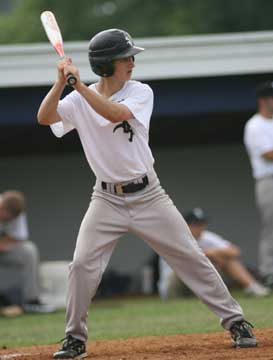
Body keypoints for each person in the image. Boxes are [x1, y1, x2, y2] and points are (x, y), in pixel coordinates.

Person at [37, 29, 257, 359]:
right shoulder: (77, 98)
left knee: (191, 257)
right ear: (106, 64)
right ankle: (74, 338)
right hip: (106, 199)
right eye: (125, 57)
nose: (132, 62)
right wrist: (61, 83)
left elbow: (114, 113)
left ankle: (236, 321)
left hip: (149, 194)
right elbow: (45, 118)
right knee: (81, 265)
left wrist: (78, 86)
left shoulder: (140, 91)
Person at [158, 207, 270, 299]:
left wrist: (215, 252)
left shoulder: (207, 237)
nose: (200, 228)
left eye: (202, 224)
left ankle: (253, 287)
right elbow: (188, 260)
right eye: (196, 225)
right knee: (191, 265)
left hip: (198, 283)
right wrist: (209, 254)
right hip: (174, 285)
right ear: (185, 225)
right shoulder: (174, 238)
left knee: (227, 259)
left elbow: (235, 251)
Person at [0, 190, 53, 313]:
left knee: (28, 250)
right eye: (7, 217)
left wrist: (5, 243)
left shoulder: (17, 214)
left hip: (4, 249)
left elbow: (19, 238)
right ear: (2, 207)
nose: (9, 220)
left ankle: (32, 300)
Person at [244, 81, 273, 288]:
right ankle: (269, 272)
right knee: (271, 228)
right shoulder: (254, 125)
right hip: (268, 180)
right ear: (263, 100)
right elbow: (268, 154)